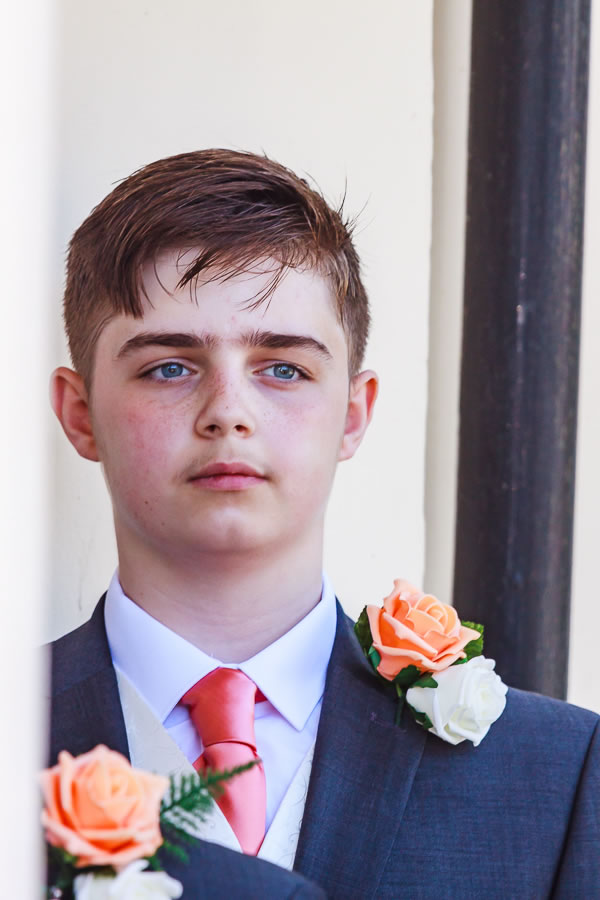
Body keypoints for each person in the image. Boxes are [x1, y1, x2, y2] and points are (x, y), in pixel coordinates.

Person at [48, 149, 599, 899]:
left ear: (354, 412)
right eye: (169, 367)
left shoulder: (555, 775)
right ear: (80, 413)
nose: (228, 413)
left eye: (284, 369)